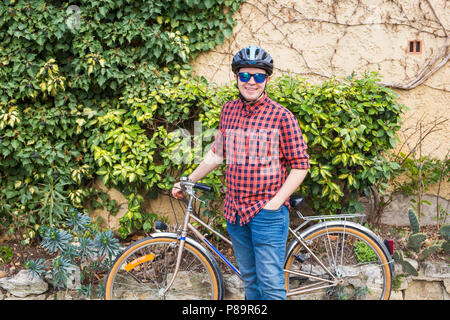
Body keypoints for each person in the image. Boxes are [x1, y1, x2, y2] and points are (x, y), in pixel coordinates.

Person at [172, 46, 309, 300]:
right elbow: (217, 154)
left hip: (266, 213)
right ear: (237, 77)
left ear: (267, 79)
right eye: (245, 76)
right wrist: (188, 180)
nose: (252, 82)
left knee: (271, 287)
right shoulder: (229, 111)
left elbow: (300, 165)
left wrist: (275, 203)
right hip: (235, 212)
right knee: (251, 282)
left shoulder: (282, 116)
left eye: (258, 76)